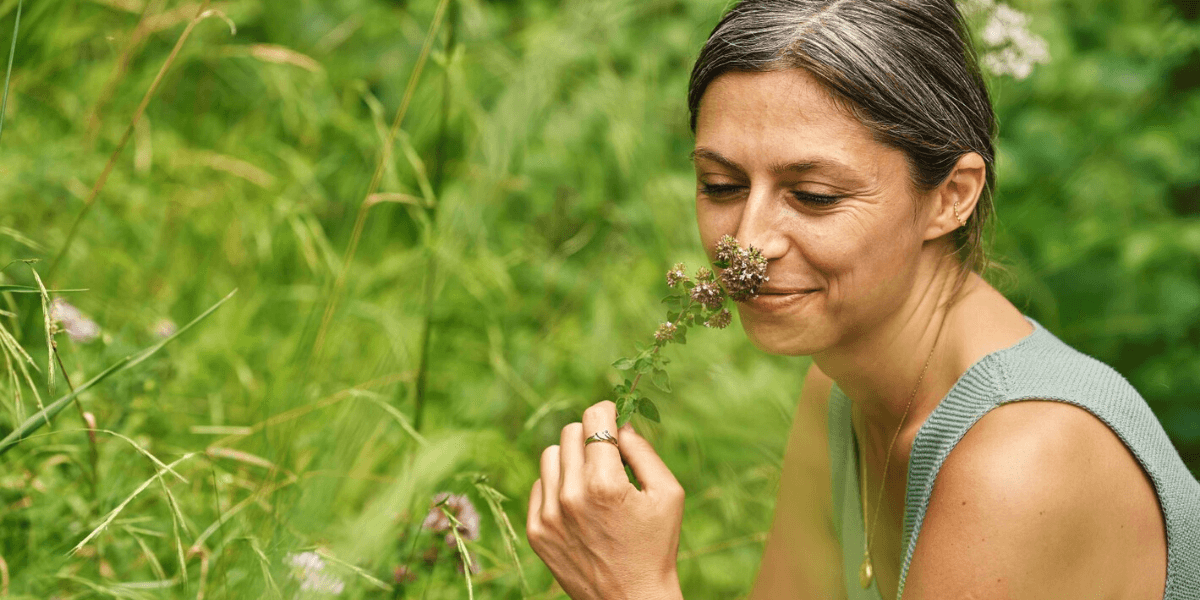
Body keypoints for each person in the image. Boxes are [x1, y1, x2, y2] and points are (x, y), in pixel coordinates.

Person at [524, 1, 1200, 598]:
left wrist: (634, 589)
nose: (749, 244)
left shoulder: (1020, 463)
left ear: (952, 196)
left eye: (814, 196)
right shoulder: (842, 383)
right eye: (722, 185)